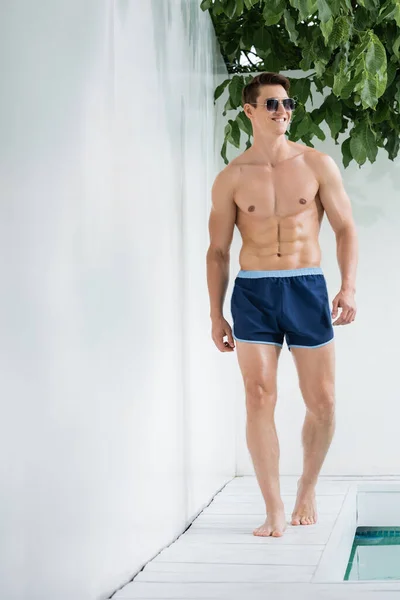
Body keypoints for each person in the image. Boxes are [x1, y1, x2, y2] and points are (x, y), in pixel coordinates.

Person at [206, 72, 358, 537]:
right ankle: (273, 509)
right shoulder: (231, 177)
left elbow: (345, 227)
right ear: (249, 111)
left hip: (306, 285)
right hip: (254, 291)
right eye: (271, 104)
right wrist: (216, 314)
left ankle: (306, 489)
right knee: (258, 396)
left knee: (324, 401)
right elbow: (217, 251)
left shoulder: (316, 164)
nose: (283, 111)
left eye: (287, 104)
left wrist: (347, 286)